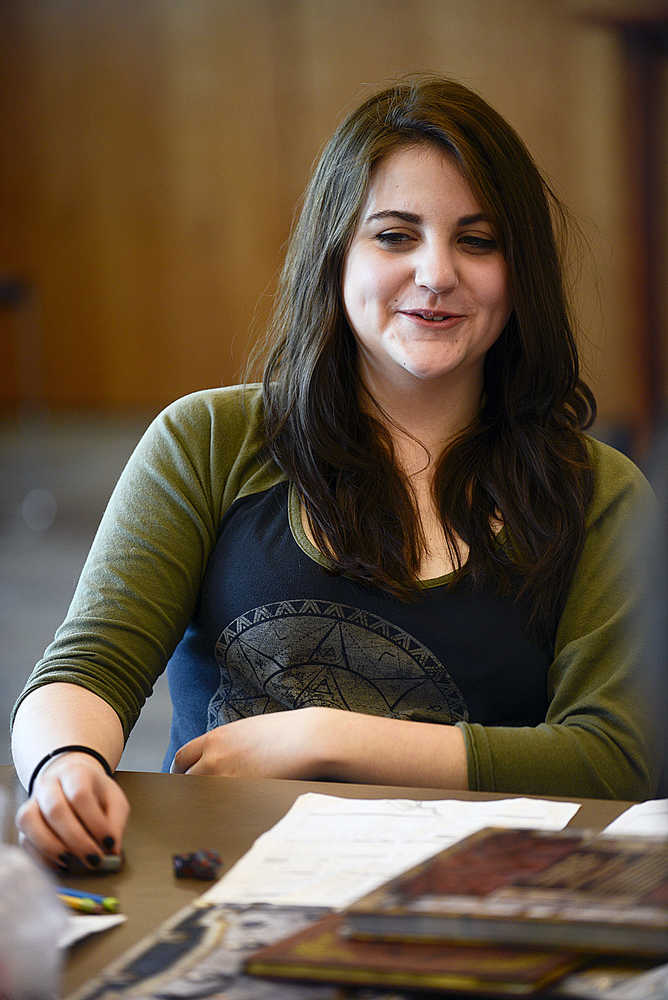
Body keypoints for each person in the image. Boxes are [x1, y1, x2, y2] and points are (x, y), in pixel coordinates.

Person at [11, 76, 660, 872]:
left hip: (481, 907)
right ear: (336, 250)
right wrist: (62, 766)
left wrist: (325, 739)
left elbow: (613, 761)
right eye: (395, 235)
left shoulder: (600, 491)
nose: (436, 273)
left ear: (518, 273)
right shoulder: (208, 439)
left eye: (478, 240)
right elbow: (87, 669)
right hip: (219, 883)